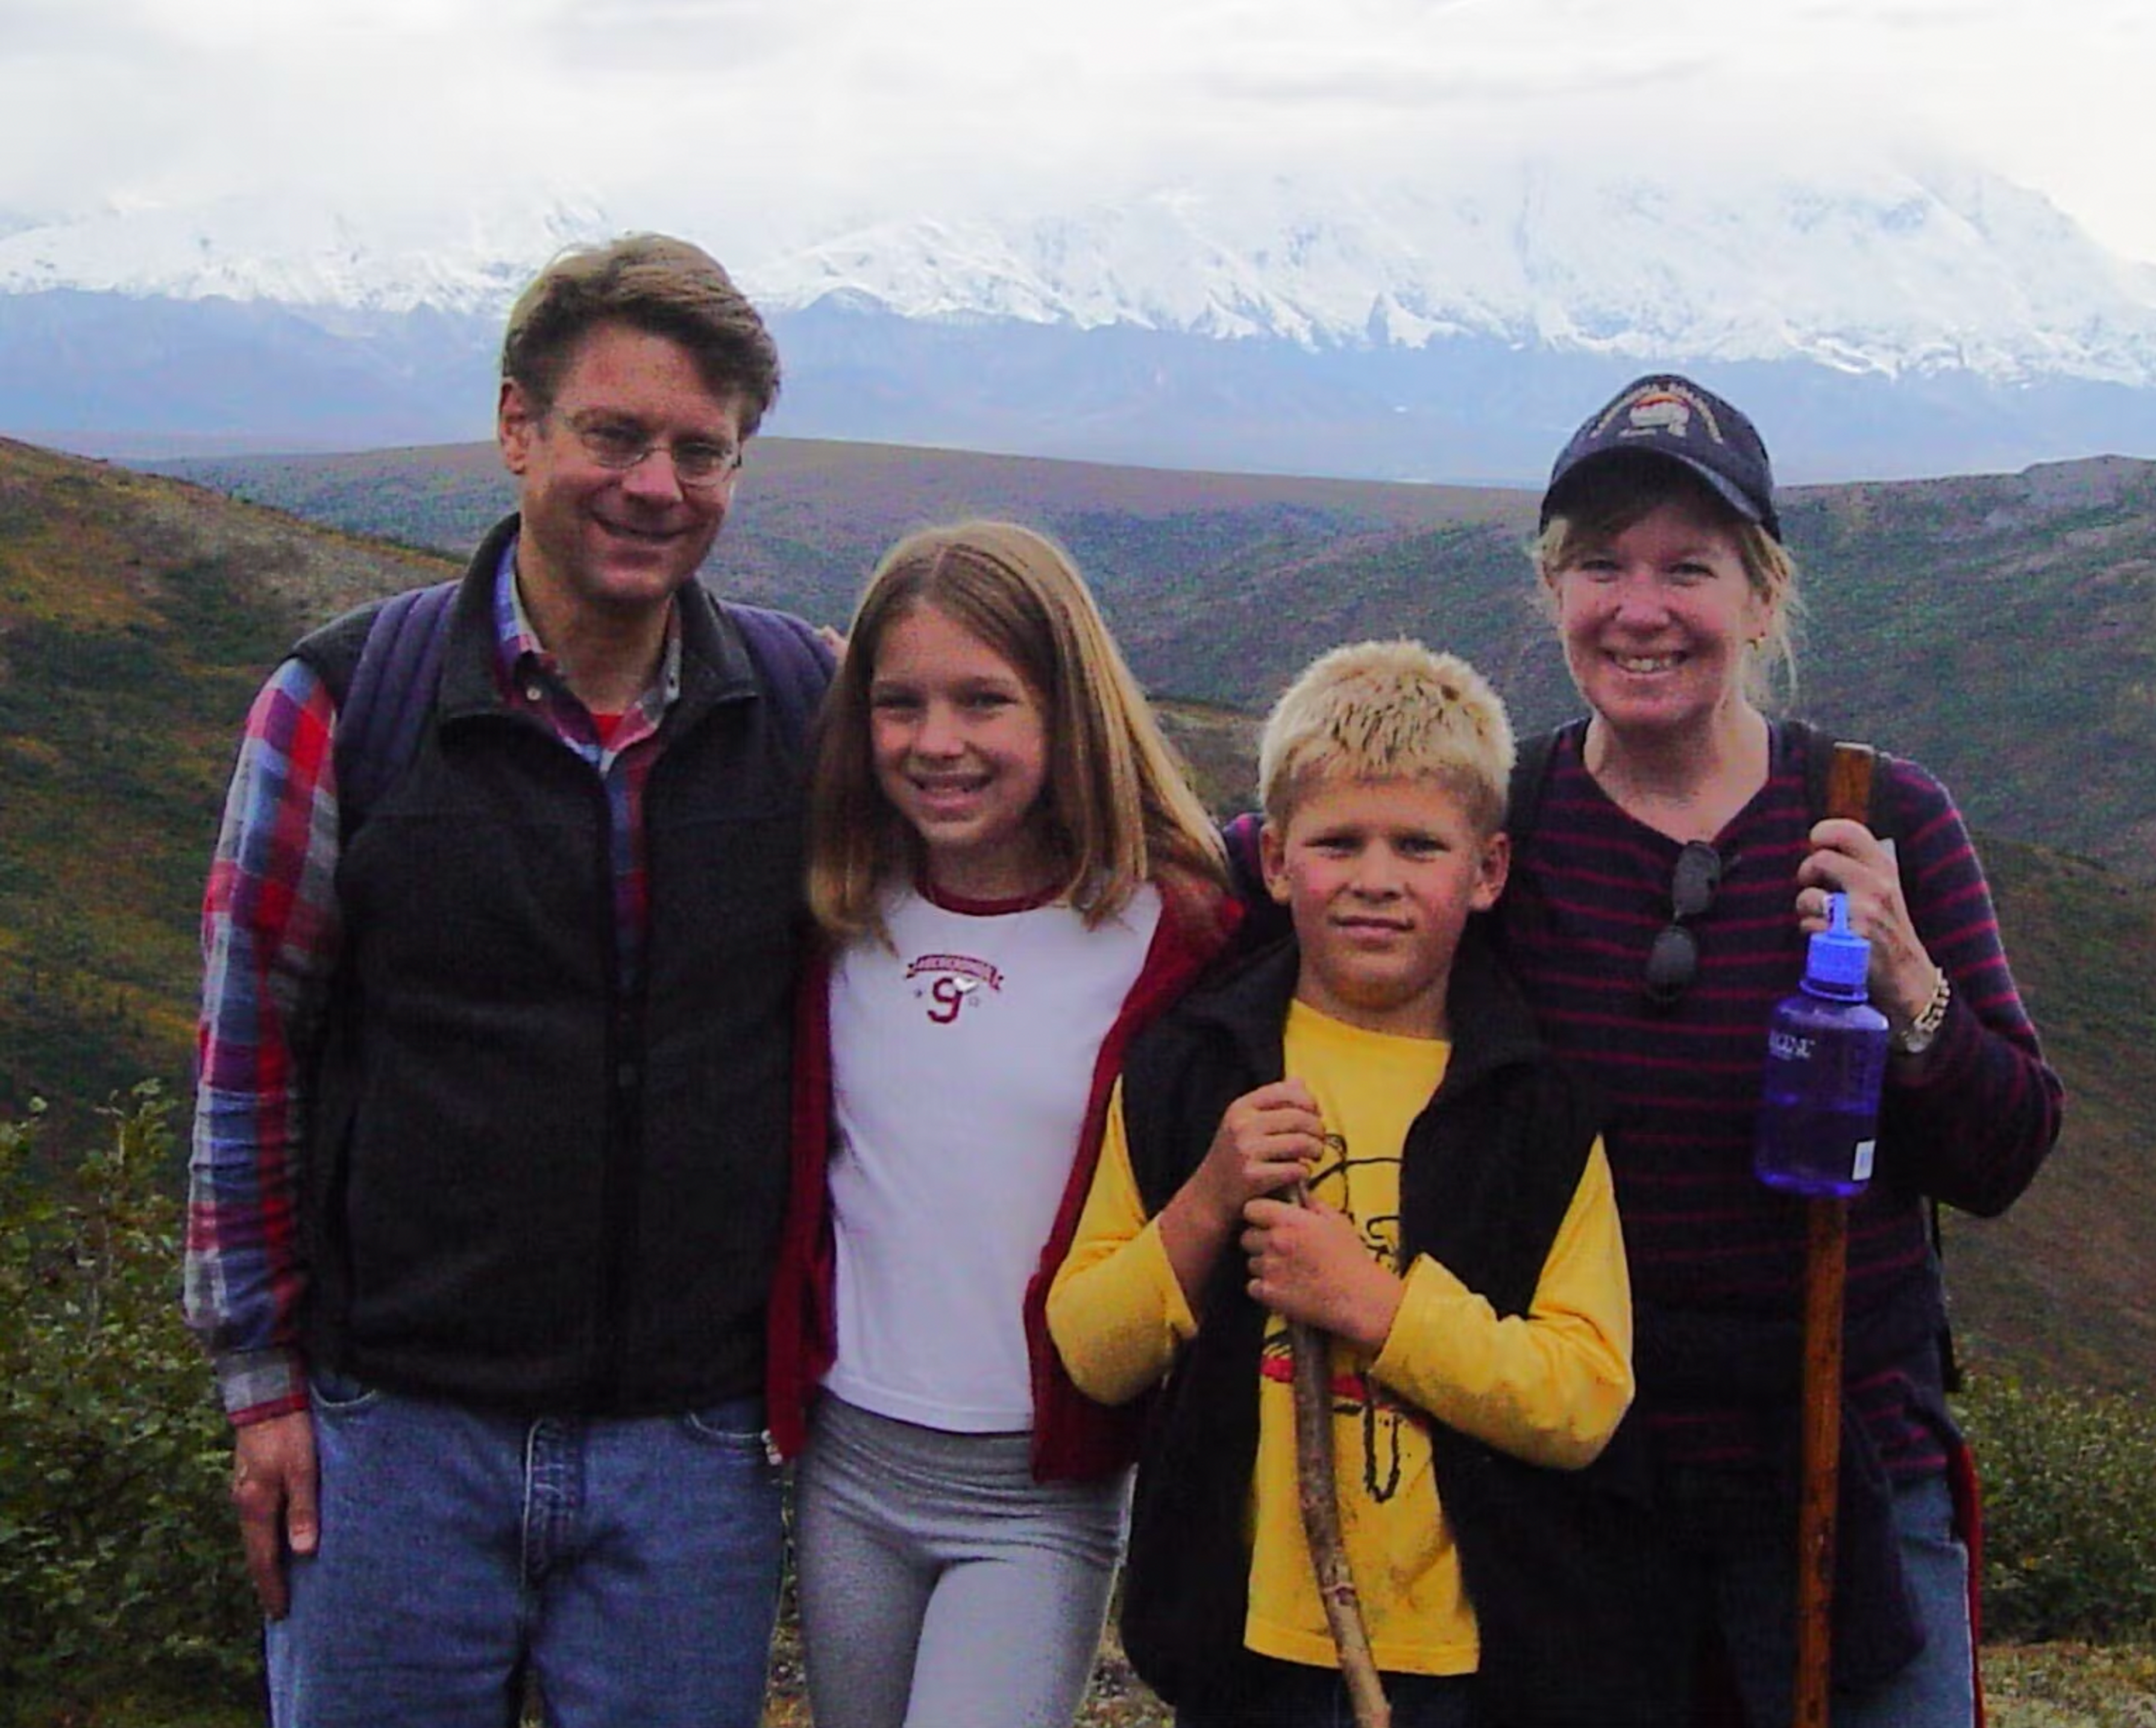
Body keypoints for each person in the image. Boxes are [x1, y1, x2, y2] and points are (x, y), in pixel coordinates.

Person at [183, 233, 830, 1727]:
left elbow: (1004, 854)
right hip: (394, 1432)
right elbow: (247, 1055)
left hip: (693, 1445)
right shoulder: (345, 701)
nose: (656, 485)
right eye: (613, 434)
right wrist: (262, 1379)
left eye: (701, 450)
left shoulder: (801, 703)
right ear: (517, 427)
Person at [1500, 373, 2066, 1726]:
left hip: (1842, 1467)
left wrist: (1908, 976)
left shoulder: (1879, 819)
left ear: (1761, 599)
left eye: (1688, 567)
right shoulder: (1499, 822)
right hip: (1575, 1485)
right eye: (1600, 566)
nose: (1639, 607)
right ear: (1554, 593)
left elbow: (2006, 1150)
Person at [1049, 639, 1654, 1728]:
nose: (1377, 878)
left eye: (1420, 845)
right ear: (1278, 862)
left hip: (1472, 1663)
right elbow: (1093, 1352)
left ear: (1488, 871)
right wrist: (1208, 1198)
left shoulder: (1537, 1107)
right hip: (1243, 1650)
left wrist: (1371, 1304)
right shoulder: (1195, 1070)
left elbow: (1584, 1396)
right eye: (1339, 842)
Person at [762, 521, 1238, 1728]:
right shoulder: (838, 903)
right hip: (848, 1462)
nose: (938, 743)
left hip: (1040, 1485)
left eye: (986, 700)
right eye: (899, 703)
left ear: (1067, 706)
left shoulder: (1170, 930)